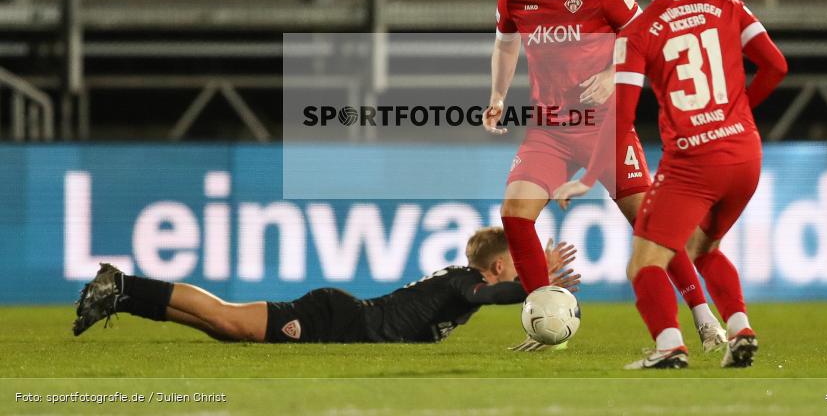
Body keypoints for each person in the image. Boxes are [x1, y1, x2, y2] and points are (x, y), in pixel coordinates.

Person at [485, 0, 726, 351]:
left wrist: (613, 74)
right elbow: (505, 46)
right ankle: (545, 321)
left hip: (605, 127)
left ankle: (705, 318)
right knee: (515, 215)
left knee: (653, 229)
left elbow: (647, 37)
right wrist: (498, 96)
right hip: (550, 128)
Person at [555, 0, 788, 369]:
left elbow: (621, 116)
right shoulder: (729, 7)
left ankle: (669, 345)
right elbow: (776, 66)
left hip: (693, 163)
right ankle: (739, 329)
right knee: (704, 248)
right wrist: (737, 112)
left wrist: (587, 176)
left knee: (643, 264)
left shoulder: (638, 33)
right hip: (745, 155)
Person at [72, 228, 580, 345]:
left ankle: (121, 298)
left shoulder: (464, 281)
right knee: (227, 318)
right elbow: (487, 297)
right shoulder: (468, 282)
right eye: (518, 265)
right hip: (339, 318)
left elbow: (489, 301)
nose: (522, 271)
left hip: (346, 317)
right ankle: (122, 282)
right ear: (494, 267)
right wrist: (536, 284)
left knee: (225, 330)